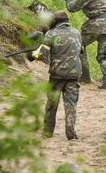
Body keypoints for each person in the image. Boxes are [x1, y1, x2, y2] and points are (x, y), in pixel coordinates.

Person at [28, 11, 82, 141]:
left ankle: (47, 132)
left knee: (52, 104)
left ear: (55, 21)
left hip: (57, 75)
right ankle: (71, 134)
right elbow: (80, 50)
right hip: (74, 73)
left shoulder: (51, 34)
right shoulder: (76, 33)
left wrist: (31, 54)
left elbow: (43, 54)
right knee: (71, 105)